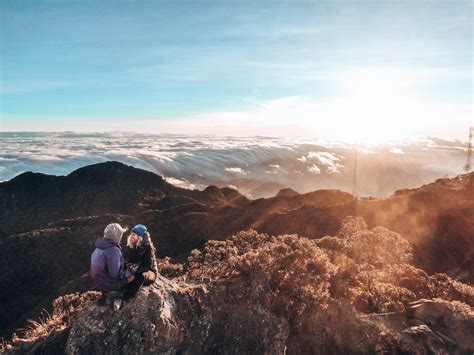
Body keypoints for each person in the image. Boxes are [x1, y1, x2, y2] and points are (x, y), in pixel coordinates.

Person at [90, 223, 135, 296]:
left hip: (101, 284)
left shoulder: (97, 249)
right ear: (117, 236)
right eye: (120, 234)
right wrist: (130, 271)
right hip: (111, 284)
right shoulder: (113, 250)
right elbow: (115, 274)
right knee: (134, 276)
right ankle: (115, 295)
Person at [123, 224, 158, 300]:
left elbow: (148, 266)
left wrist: (135, 272)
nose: (131, 236)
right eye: (131, 234)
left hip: (150, 272)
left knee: (141, 277)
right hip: (136, 269)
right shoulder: (132, 246)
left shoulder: (148, 248)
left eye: (134, 235)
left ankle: (126, 297)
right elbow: (129, 261)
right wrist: (127, 266)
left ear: (139, 237)